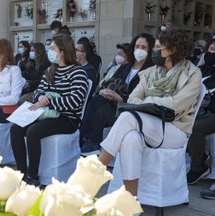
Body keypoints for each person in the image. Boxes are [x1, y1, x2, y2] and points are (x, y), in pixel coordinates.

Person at [98, 29, 201, 196]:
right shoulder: (153, 72)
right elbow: (132, 99)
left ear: (173, 49)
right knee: (130, 138)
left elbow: (175, 105)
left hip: (174, 130)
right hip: (147, 125)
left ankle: (95, 170)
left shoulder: (193, 73)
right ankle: (130, 199)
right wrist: (149, 106)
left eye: (159, 47)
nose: (155, 51)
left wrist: (146, 103)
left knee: (127, 116)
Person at [10, 34, 88, 186]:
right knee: (15, 128)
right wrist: (40, 98)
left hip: (67, 118)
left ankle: (33, 176)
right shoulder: (50, 70)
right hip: (45, 113)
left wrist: (49, 102)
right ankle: (22, 172)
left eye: (52, 49)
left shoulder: (78, 73)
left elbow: (75, 100)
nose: (49, 52)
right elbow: (39, 91)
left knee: (33, 132)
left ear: (63, 51)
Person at [80, 33, 155, 155]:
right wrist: (103, 90)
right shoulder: (126, 67)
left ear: (150, 49)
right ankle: (88, 141)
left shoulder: (151, 70)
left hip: (131, 109)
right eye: (137, 46)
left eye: (143, 47)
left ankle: (91, 143)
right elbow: (109, 82)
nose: (139, 50)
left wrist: (121, 98)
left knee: (102, 108)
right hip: (113, 104)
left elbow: (145, 96)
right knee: (98, 99)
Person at [186, 38, 215, 185]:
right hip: (196, 109)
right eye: (211, 49)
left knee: (194, 128)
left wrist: (208, 104)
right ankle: (198, 155)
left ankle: (198, 167)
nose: (212, 53)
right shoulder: (201, 70)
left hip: (212, 112)